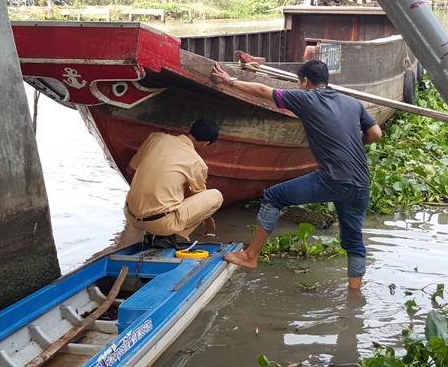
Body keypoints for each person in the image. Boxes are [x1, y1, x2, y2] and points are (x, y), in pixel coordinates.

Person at [211, 60, 382, 290]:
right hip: (360, 184)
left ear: (305, 81)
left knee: (273, 197)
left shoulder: (306, 97)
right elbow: (376, 133)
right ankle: (354, 293)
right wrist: (350, 143)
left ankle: (251, 256)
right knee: (353, 241)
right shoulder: (353, 102)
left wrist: (229, 80)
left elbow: (263, 91)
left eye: (299, 83)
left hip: (332, 179)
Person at [124, 119, 223, 249]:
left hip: (130, 216)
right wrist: (208, 220)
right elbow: (199, 196)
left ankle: (154, 233)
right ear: (206, 143)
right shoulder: (197, 162)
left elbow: (129, 169)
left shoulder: (156, 138)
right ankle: (165, 236)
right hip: (160, 224)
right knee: (216, 196)